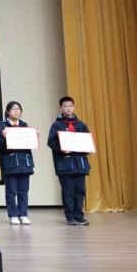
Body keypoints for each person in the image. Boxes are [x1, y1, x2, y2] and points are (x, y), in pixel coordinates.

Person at [47, 96, 91, 225]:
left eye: (70, 106)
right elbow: (51, 142)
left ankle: (79, 216)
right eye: (65, 106)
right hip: (65, 164)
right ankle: (70, 216)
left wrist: (88, 148)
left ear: (73, 107)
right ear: (61, 109)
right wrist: (62, 148)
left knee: (80, 191)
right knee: (68, 191)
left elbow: (87, 141)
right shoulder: (56, 125)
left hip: (80, 164)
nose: (68, 108)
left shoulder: (81, 125)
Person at [0, 101, 36, 225]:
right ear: (7, 111)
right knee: (11, 191)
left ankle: (23, 214)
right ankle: (13, 215)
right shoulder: (1, 126)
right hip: (10, 163)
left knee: (24, 191)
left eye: (18, 109)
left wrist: (33, 137)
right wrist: (3, 137)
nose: (17, 111)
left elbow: (30, 144)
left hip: (24, 163)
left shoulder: (25, 126)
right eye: (13, 109)